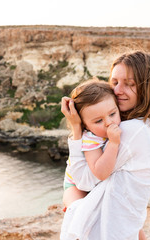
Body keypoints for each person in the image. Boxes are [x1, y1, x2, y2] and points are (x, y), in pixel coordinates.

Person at [60, 50, 150, 240]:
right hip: (77, 183)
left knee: (79, 224)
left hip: (82, 180)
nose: (117, 91)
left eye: (130, 84)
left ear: (148, 88)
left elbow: (87, 179)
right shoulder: (129, 121)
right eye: (114, 82)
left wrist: (76, 130)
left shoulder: (130, 130)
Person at [62, 78, 122, 209]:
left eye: (112, 113)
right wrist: (113, 143)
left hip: (97, 185)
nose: (108, 122)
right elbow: (100, 172)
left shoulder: (115, 121)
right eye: (98, 121)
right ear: (86, 126)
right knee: (78, 211)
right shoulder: (90, 139)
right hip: (76, 185)